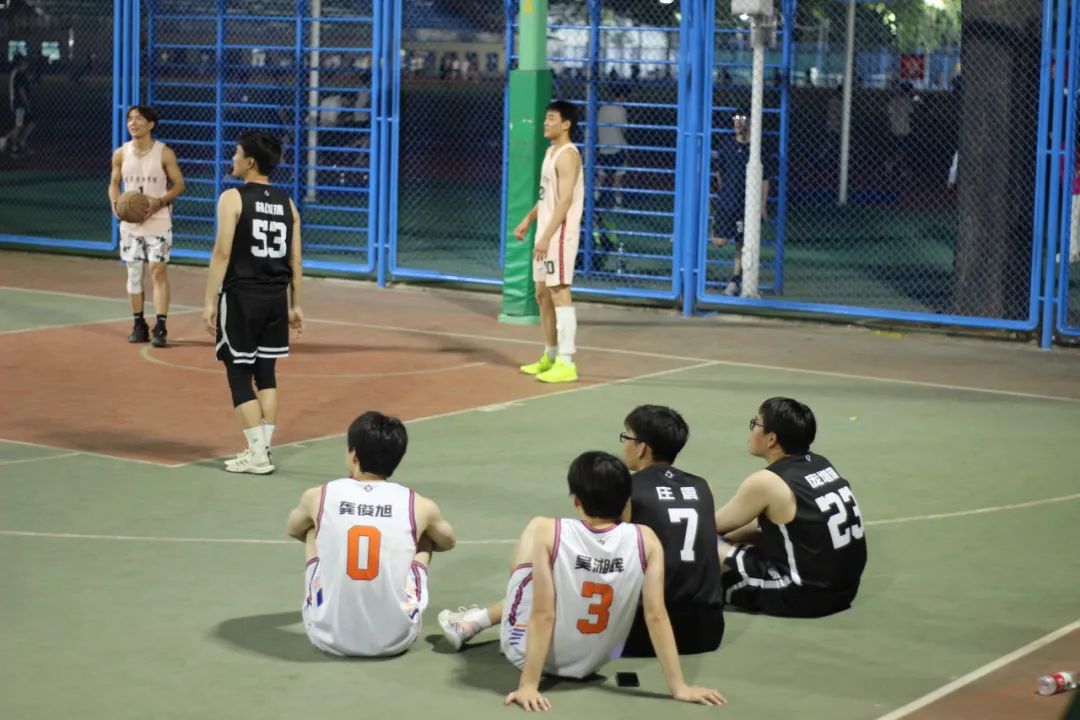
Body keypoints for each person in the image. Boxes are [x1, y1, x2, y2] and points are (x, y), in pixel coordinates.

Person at [436, 451, 726, 711]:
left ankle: (472, 622)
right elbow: (656, 615)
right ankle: (477, 620)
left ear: (576, 500)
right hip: (594, 661)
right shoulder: (647, 540)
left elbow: (543, 614)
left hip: (529, 655)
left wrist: (529, 686)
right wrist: (679, 687)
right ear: (626, 501)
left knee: (534, 547)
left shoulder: (549, 531)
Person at [285, 411, 457, 656]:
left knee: (313, 527)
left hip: (327, 637)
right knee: (425, 535)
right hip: (397, 640)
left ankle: (330, 601)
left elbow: (293, 529)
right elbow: (448, 541)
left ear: (354, 455)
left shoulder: (319, 495)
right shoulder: (418, 504)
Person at [202, 130, 304, 474]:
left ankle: (258, 454)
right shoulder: (288, 204)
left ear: (250, 162)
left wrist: (209, 301)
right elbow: (296, 260)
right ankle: (262, 450)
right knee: (266, 374)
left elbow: (222, 252)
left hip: (242, 296)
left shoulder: (232, 198)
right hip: (275, 298)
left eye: (236, 153)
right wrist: (295, 304)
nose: (232, 158)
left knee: (238, 373)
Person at [715, 397, 868, 617]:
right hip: (842, 591)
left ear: (771, 438)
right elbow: (777, 523)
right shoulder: (821, 463)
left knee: (697, 540)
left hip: (801, 595)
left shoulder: (766, 481)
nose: (751, 430)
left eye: (755, 423)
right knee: (742, 536)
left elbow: (708, 526)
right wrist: (731, 538)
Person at [618, 405, 725, 657]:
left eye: (627, 437)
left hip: (646, 632)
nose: (624, 445)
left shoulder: (625, 488)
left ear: (642, 448)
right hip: (707, 631)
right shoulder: (702, 486)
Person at [513, 100, 585, 384]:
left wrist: (546, 237)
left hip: (559, 235)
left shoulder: (568, 156)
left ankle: (567, 362)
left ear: (566, 124)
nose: (546, 122)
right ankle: (550, 355)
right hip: (545, 232)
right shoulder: (550, 152)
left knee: (560, 292)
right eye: (546, 118)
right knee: (542, 295)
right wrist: (529, 219)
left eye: (552, 118)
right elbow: (547, 197)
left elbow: (565, 201)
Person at [108, 105, 186, 346]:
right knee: (133, 273)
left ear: (151, 124)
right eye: (130, 119)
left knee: (157, 270)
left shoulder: (164, 153)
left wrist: (160, 202)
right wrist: (116, 205)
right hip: (130, 225)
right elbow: (114, 183)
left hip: (159, 222)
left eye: (139, 118)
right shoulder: (121, 153)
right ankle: (138, 323)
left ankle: (160, 326)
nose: (133, 123)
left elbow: (179, 185)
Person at [711, 109, 770, 296]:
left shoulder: (757, 149)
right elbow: (719, 173)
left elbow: (765, 180)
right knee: (719, 241)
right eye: (735, 119)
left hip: (747, 204)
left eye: (742, 119)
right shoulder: (726, 145)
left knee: (742, 243)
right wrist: (724, 193)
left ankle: (735, 280)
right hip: (728, 202)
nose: (737, 122)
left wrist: (762, 205)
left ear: (751, 122)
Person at [595, 89, 629, 207]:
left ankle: (594, 201)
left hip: (603, 149)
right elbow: (624, 130)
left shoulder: (602, 109)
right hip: (617, 150)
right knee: (618, 179)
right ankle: (618, 204)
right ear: (621, 98)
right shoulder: (621, 110)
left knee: (601, 177)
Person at [0, 55, 34, 157]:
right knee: (19, 126)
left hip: (18, 103)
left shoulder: (17, 73)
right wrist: (27, 103)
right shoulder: (18, 74)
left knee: (28, 122)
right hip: (19, 104)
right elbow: (20, 90)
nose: (27, 65)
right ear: (21, 63)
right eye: (25, 63)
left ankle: (19, 143)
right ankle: (11, 145)